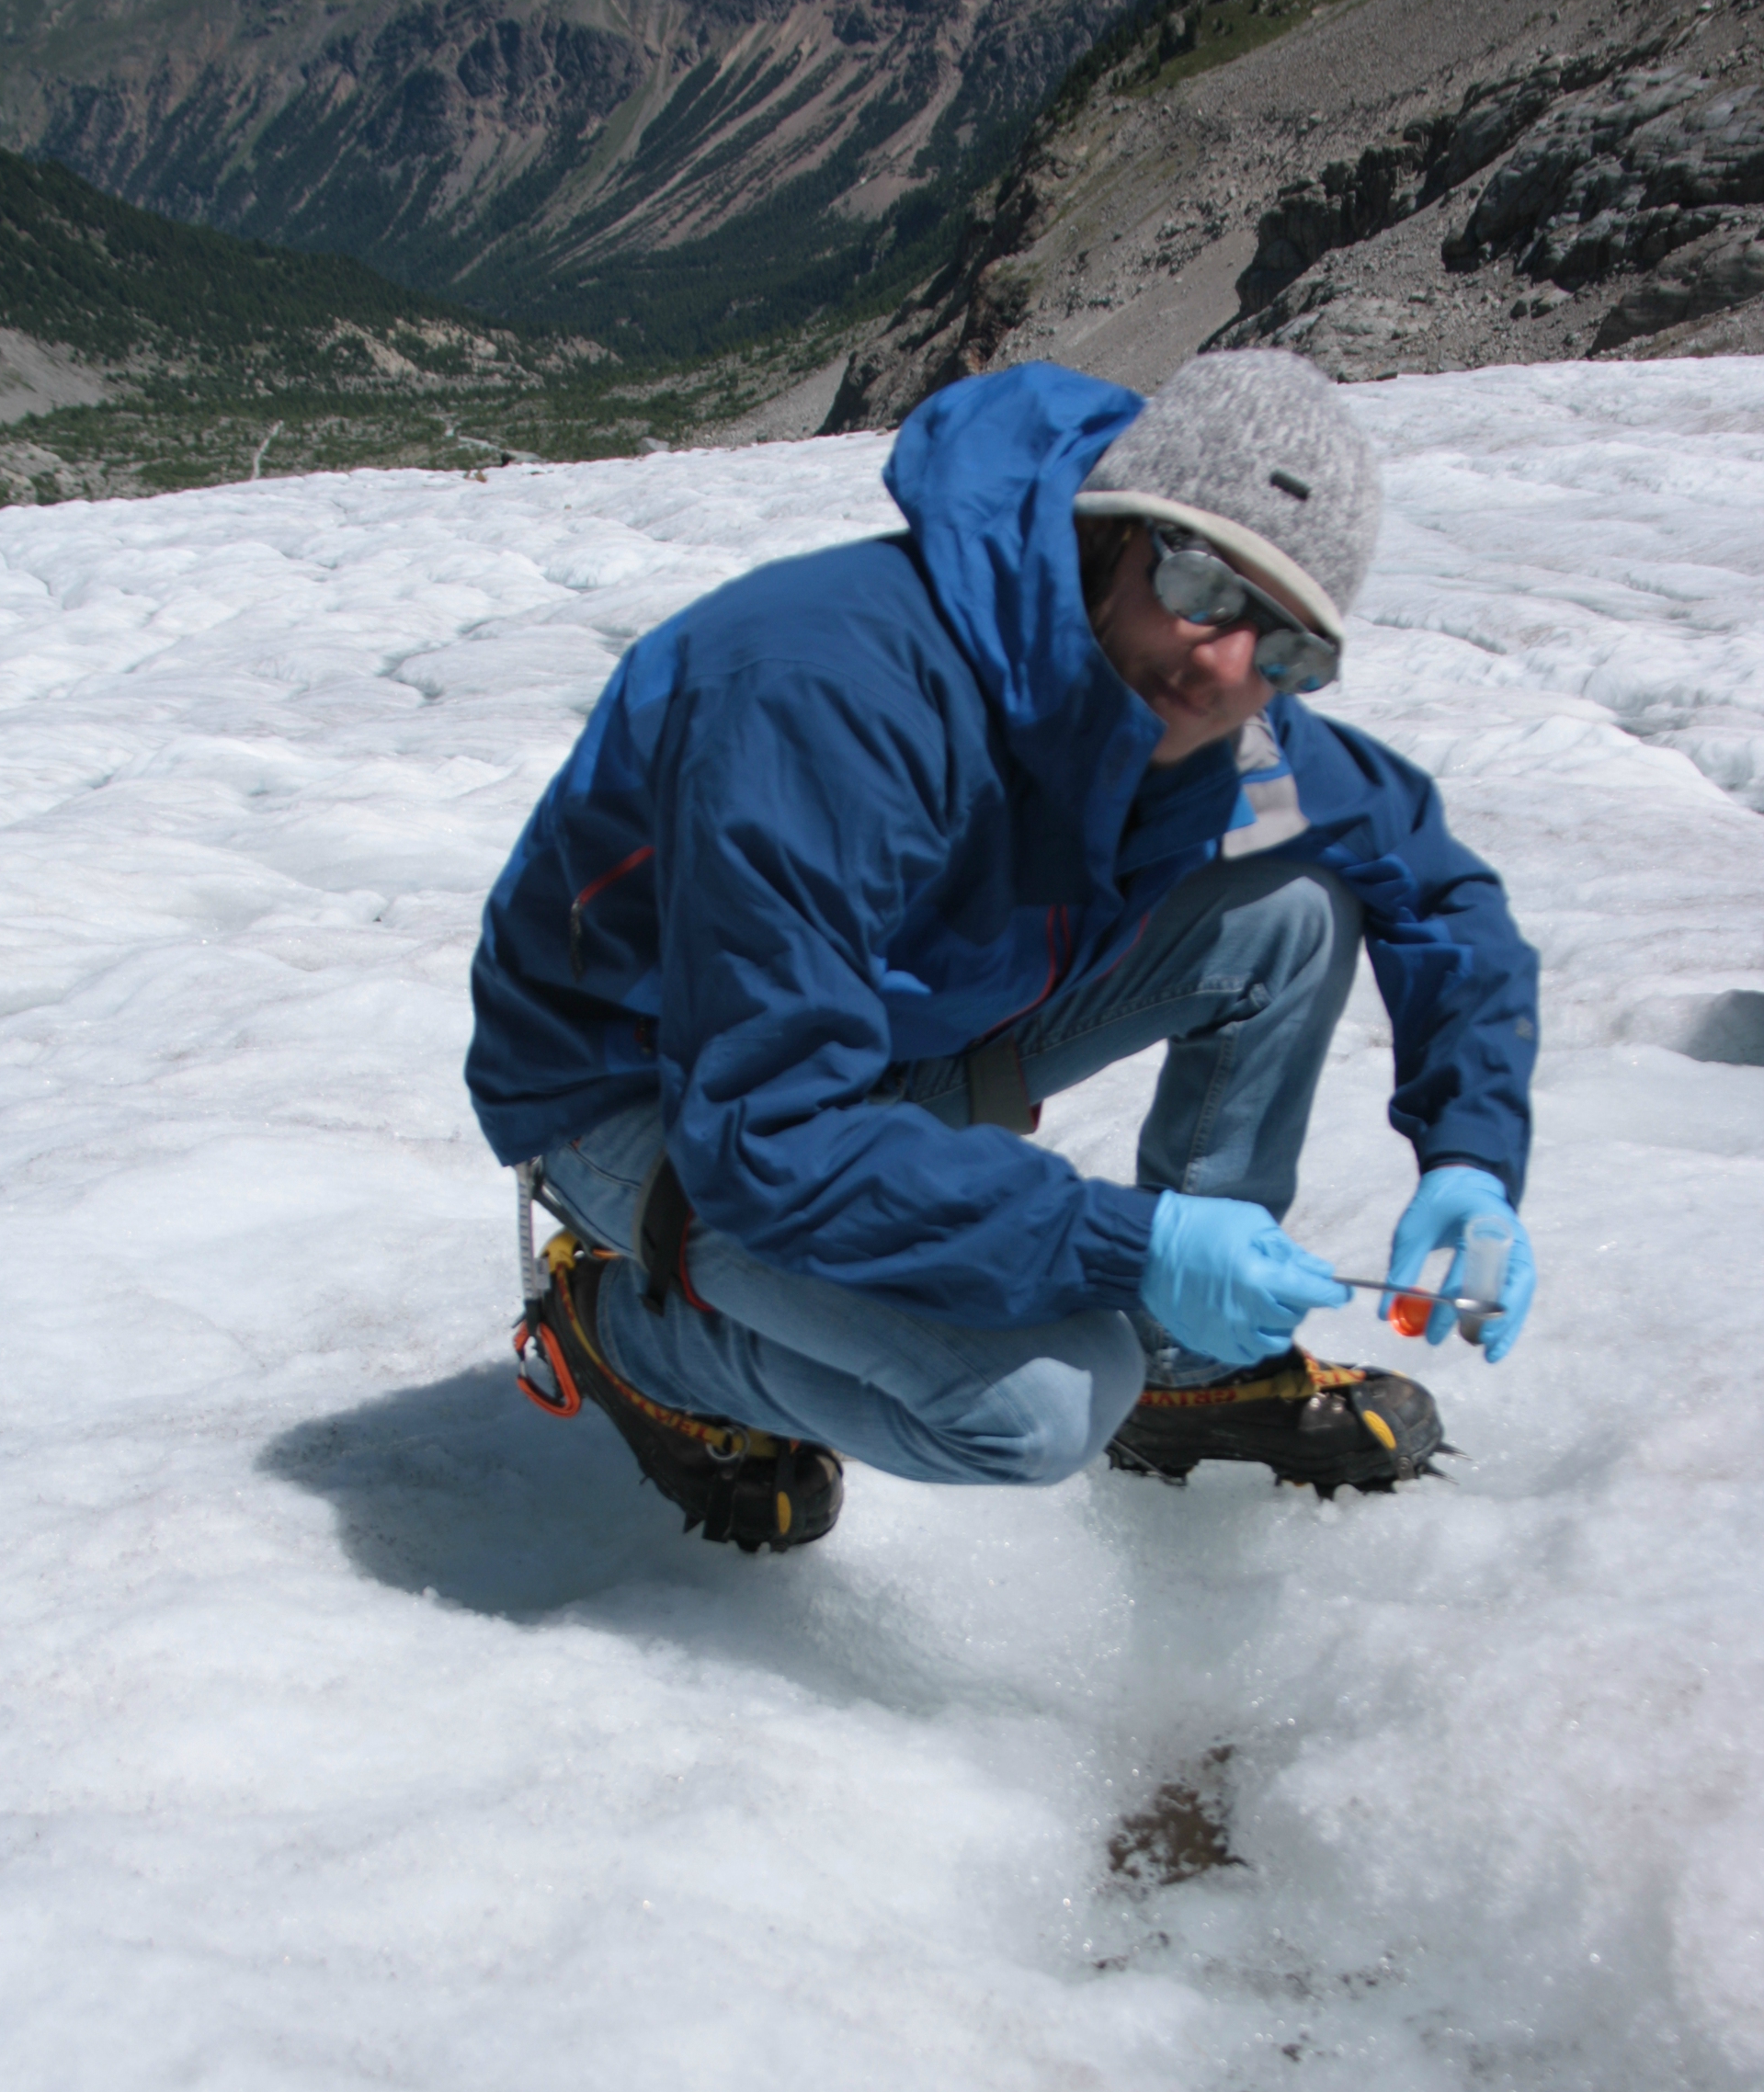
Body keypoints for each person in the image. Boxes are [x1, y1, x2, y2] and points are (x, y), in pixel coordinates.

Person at [466, 352, 1539, 1552]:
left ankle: (1192, 1371)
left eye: (1289, 648)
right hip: (650, 1090)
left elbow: (1432, 882)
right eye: (1202, 582)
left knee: (1289, 913)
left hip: (886, 1040)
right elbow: (767, 1134)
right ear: (1108, 536)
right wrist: (1138, 1249)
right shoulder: (831, 695)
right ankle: (628, 1335)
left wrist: (1472, 1155)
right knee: (1038, 1407)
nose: (1226, 666)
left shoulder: (1216, 724)